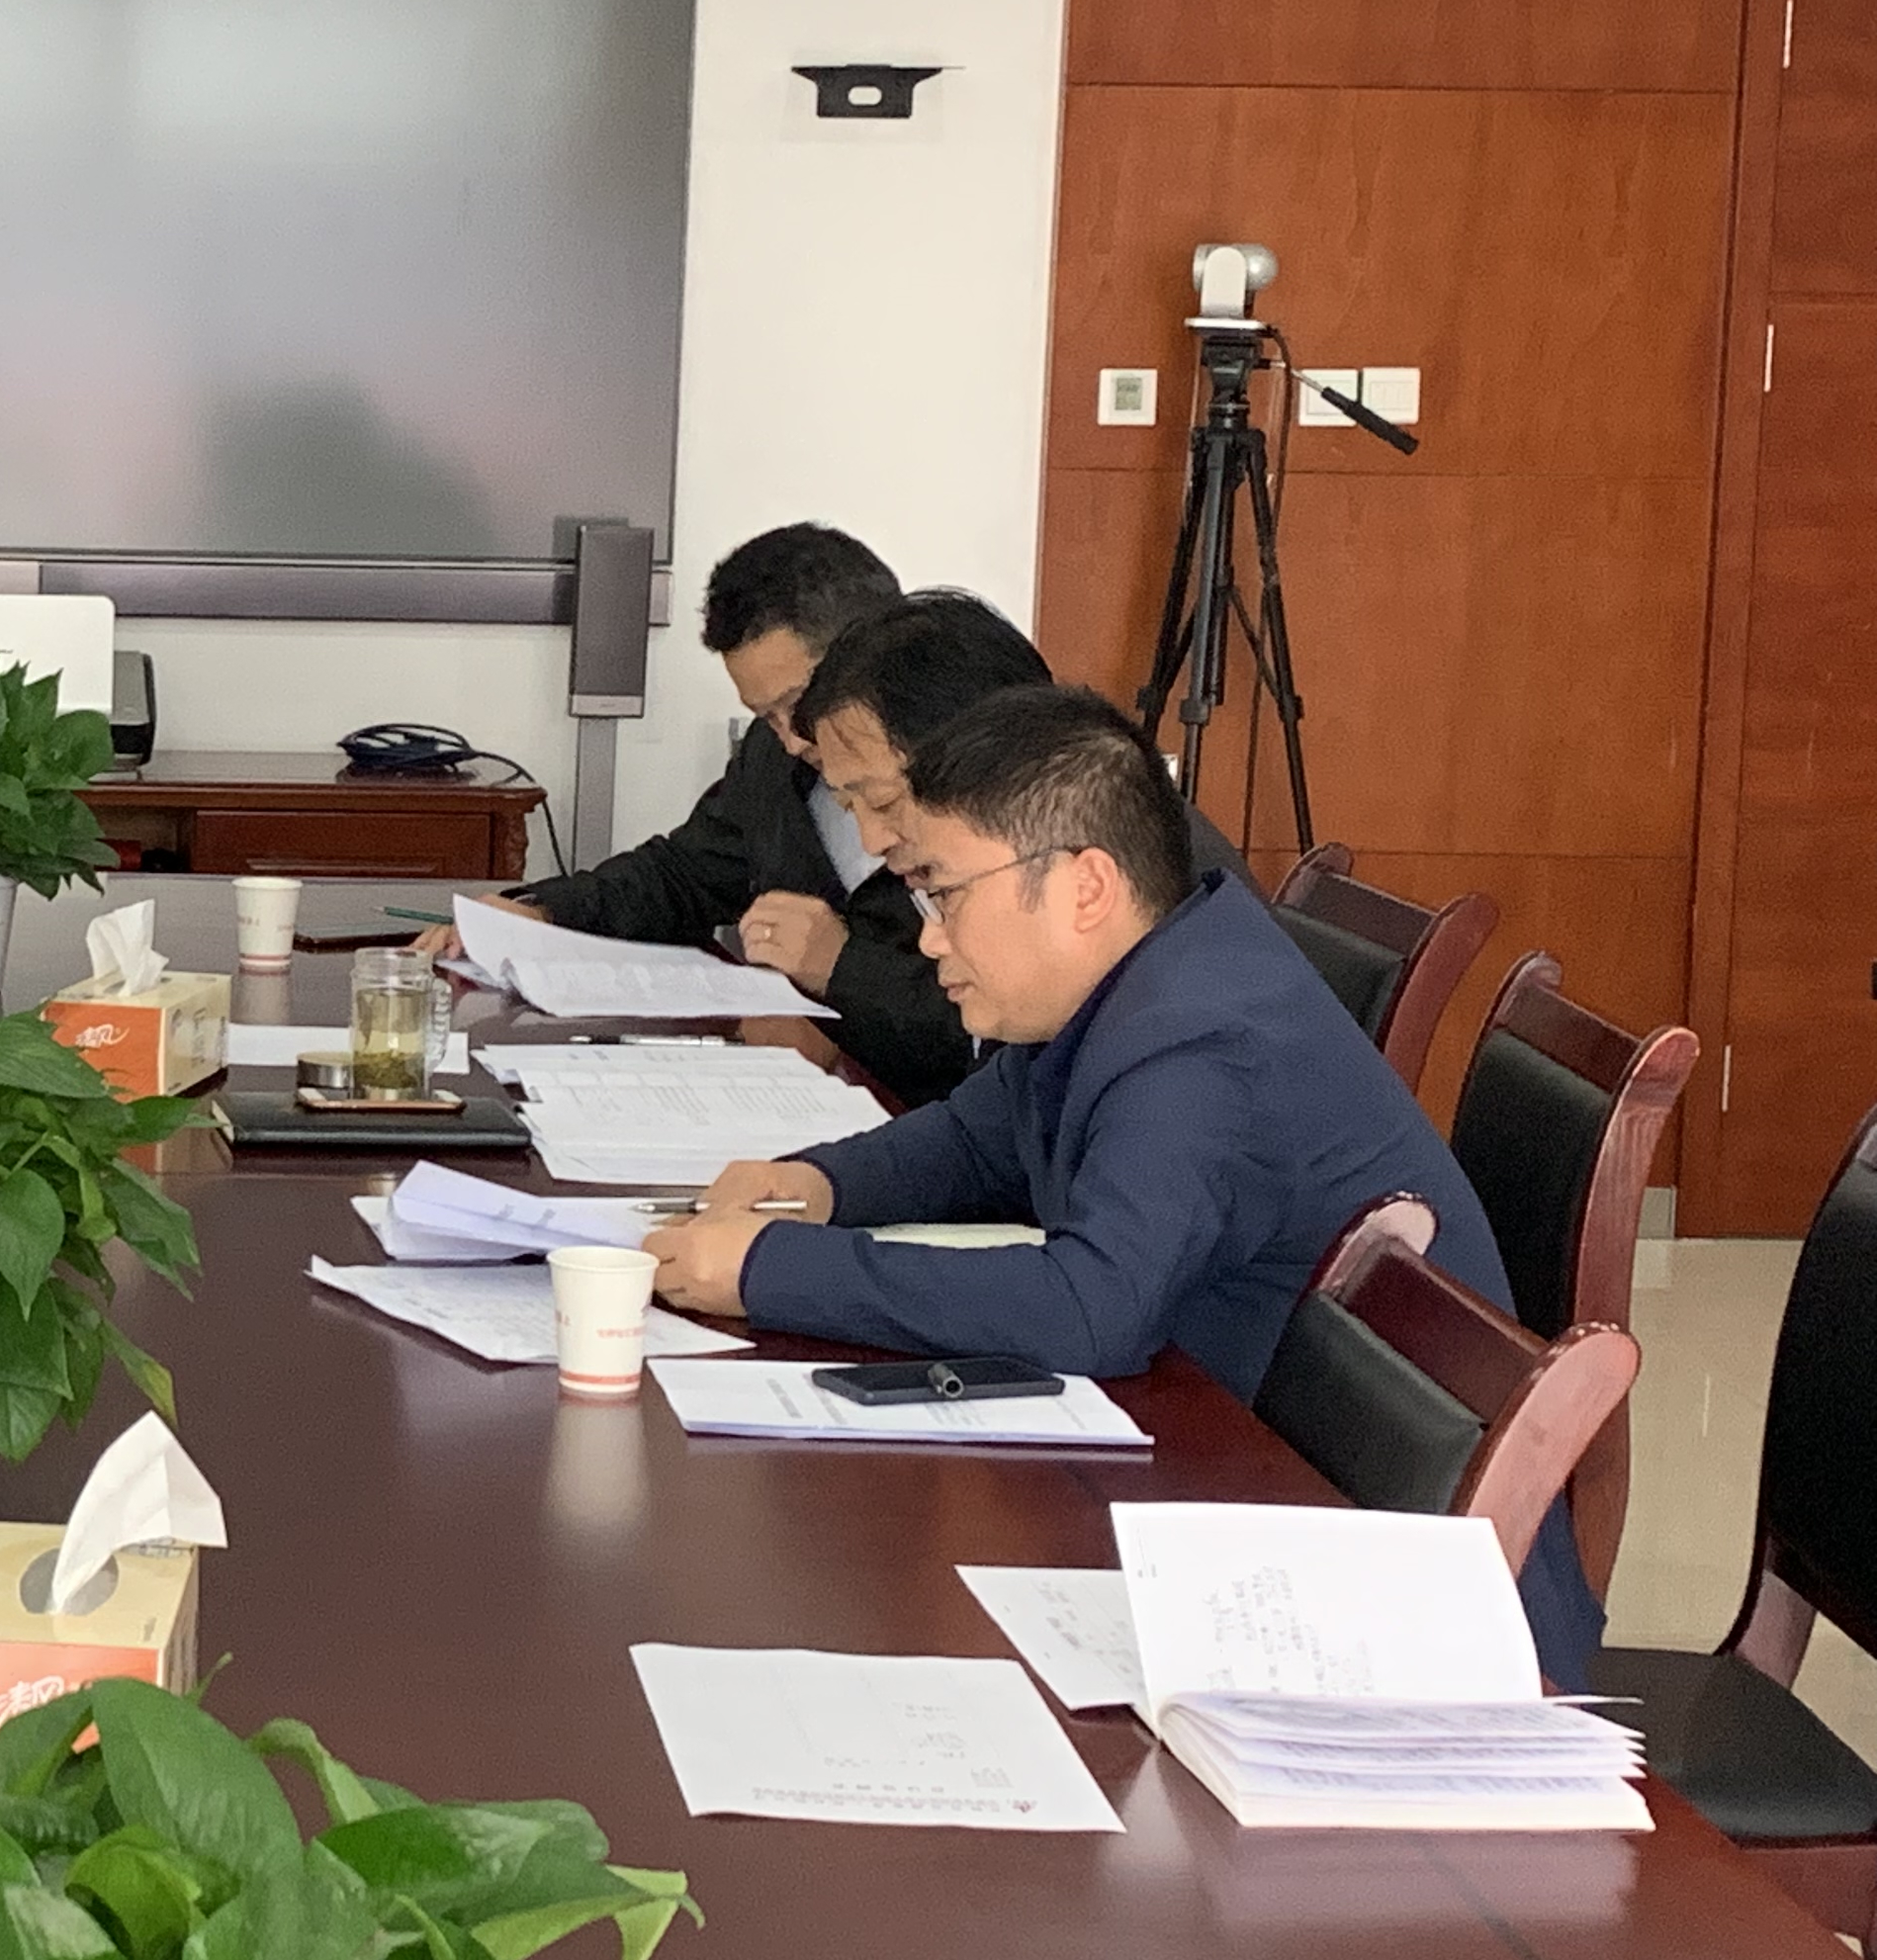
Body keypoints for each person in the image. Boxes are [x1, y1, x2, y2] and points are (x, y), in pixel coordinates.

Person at [637, 685, 1602, 1683]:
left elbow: (1094, 1307)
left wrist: (771, 1272)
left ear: (1085, 887)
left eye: (945, 895)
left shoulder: (1199, 1041)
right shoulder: (1136, 976)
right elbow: (981, 1139)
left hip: (1396, 1622)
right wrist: (814, 1186)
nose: (928, 938)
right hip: (1259, 1491)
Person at [478, 522, 977, 1099]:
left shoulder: (983, 784)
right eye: (766, 715)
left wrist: (840, 979)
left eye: (799, 704)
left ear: (876, 655)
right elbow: (686, 875)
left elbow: (1000, 1031)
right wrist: (543, 913)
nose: (792, 738)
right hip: (793, 1092)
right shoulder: (775, 756)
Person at [796, 587, 1243, 890]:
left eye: (883, 801)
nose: (871, 842)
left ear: (989, 753)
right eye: (848, 805)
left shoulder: (1137, 897)